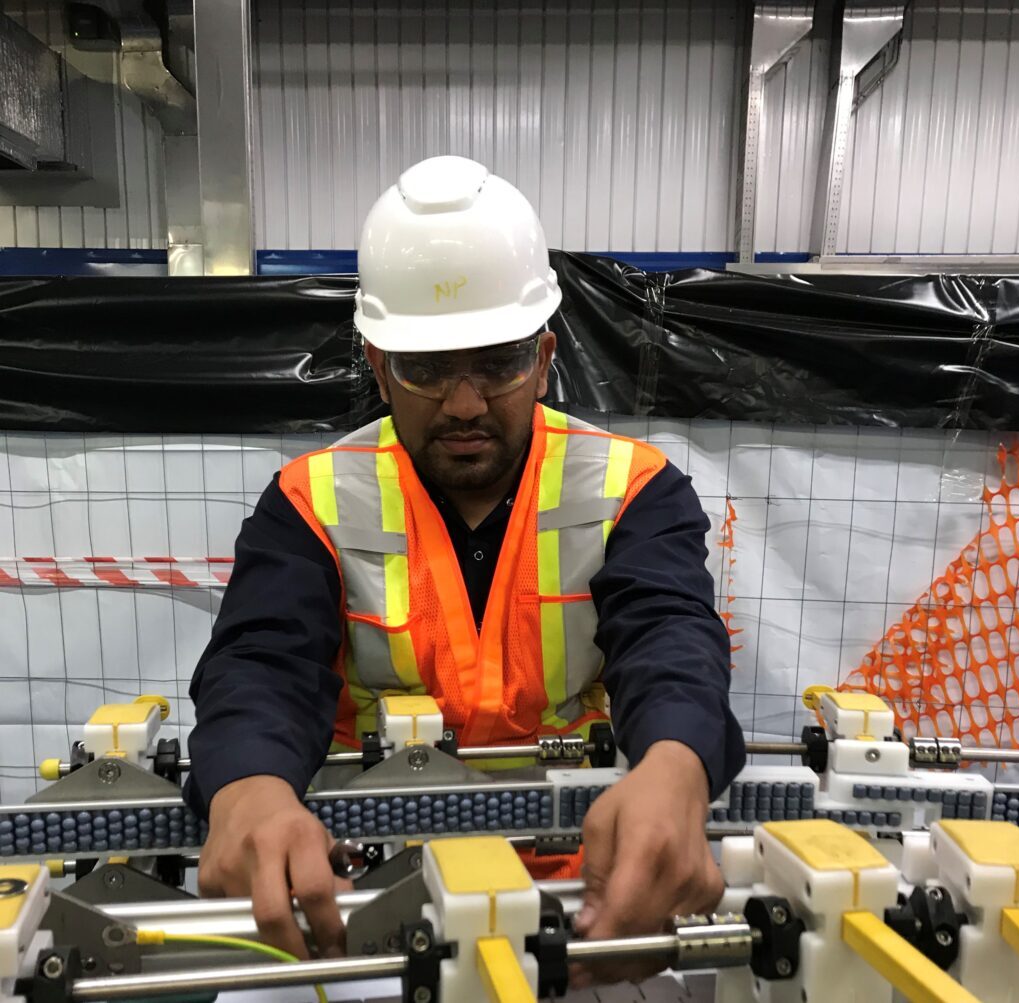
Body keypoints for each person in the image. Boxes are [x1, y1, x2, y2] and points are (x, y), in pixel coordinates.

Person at [185, 155, 744, 970]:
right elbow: (262, 660)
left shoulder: (636, 491)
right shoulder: (311, 502)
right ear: (378, 366)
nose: (466, 403)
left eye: (498, 362)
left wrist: (677, 762)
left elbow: (671, 635)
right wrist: (248, 788)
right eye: (426, 369)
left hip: (585, 894)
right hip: (369, 900)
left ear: (546, 356)